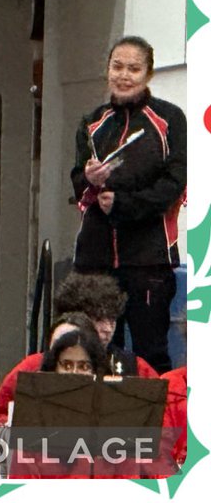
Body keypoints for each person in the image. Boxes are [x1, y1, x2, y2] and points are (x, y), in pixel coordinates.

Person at [71, 36, 186, 373]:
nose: (124, 75)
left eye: (133, 68)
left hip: (149, 259)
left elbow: (174, 184)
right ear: (107, 70)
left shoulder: (169, 119)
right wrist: (89, 181)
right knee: (93, 351)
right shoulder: (92, 122)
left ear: (148, 74)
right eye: (117, 66)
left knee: (151, 353)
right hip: (96, 256)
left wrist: (123, 203)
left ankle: (157, 425)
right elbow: (77, 181)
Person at [53, 270, 161, 376]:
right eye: (99, 320)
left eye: (112, 320)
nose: (108, 329)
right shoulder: (38, 364)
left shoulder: (137, 368)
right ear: (74, 319)